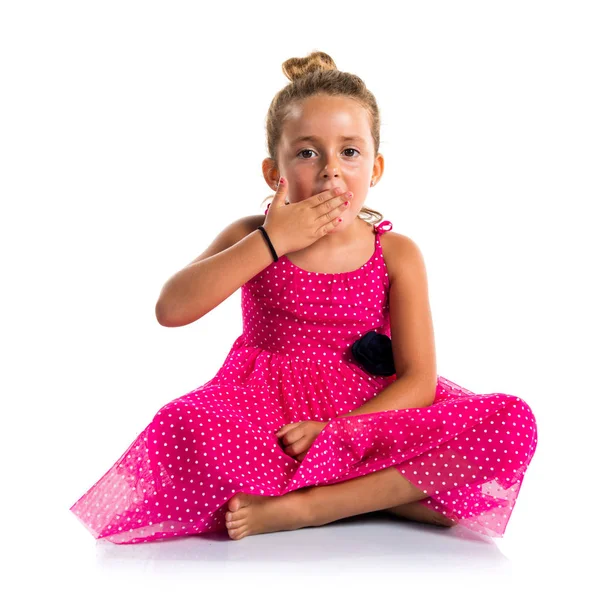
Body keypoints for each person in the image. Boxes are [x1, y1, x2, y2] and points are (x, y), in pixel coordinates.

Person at [69, 51, 538, 544]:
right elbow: (171, 310)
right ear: (275, 173)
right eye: (308, 153)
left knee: (513, 422)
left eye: (349, 153)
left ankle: (314, 505)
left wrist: (337, 432)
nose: (331, 172)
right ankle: (390, 496)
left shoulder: (396, 253)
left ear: (375, 167)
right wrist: (272, 242)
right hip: (268, 417)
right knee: (181, 423)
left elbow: (419, 381)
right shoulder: (252, 236)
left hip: (367, 417)